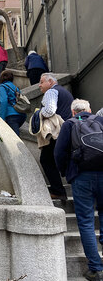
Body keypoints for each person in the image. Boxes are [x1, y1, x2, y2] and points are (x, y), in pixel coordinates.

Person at [54, 99, 103, 281]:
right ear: (89, 110)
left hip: (82, 176)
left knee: (86, 222)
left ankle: (96, 269)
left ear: (73, 112)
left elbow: (59, 153)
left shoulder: (69, 124)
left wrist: (66, 172)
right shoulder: (100, 121)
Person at [38, 72, 73, 200]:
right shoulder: (65, 92)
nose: (39, 85)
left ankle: (58, 191)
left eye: (42, 82)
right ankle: (61, 190)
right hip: (66, 131)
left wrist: (38, 113)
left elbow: (50, 110)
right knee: (54, 159)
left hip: (56, 132)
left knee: (46, 160)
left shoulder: (51, 92)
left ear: (51, 82)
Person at [0, 70, 26, 136]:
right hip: (21, 115)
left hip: (11, 115)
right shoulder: (16, 88)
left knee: (15, 139)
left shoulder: (2, 87)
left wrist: (1, 119)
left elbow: (3, 101)